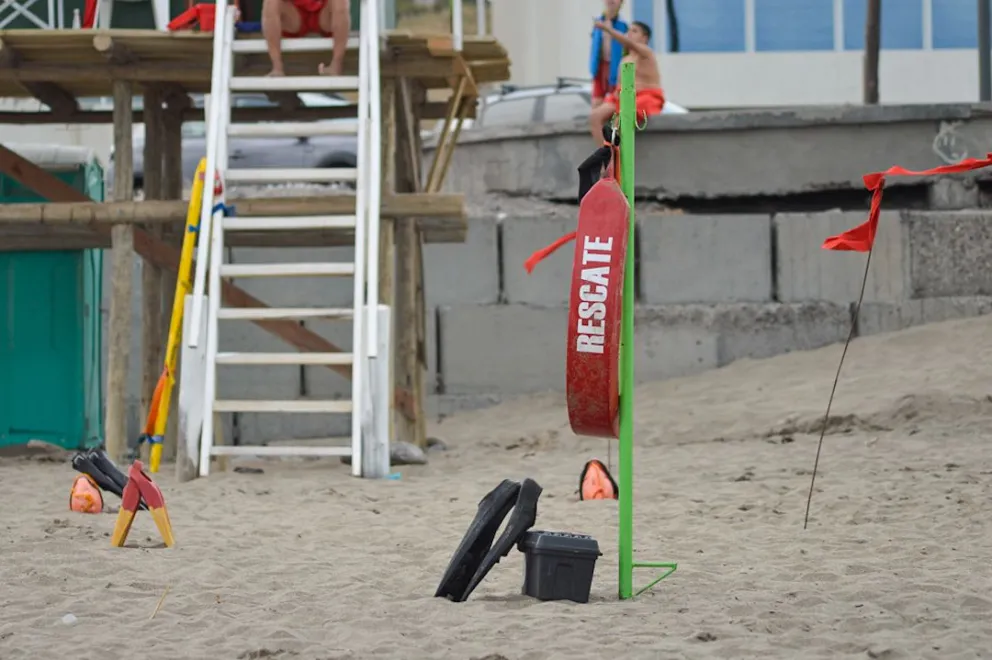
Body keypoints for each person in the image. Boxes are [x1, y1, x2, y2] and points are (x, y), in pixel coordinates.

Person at [588, 20, 665, 144]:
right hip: (624, 97)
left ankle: (619, 150)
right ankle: (607, 152)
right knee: (595, 116)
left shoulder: (647, 52)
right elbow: (619, 84)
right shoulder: (625, 59)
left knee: (622, 118)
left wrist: (607, 29)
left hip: (645, 97)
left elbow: (627, 42)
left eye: (634, 31)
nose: (629, 33)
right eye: (628, 30)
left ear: (644, 38)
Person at [262, 0, 350, 77]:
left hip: (324, 14)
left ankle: (336, 65)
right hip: (295, 15)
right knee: (271, 2)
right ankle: (277, 68)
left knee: (340, 1)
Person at [589, 0, 628, 108]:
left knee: (615, 103)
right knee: (596, 102)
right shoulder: (598, 20)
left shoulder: (623, 24)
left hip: (616, 67)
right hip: (600, 67)